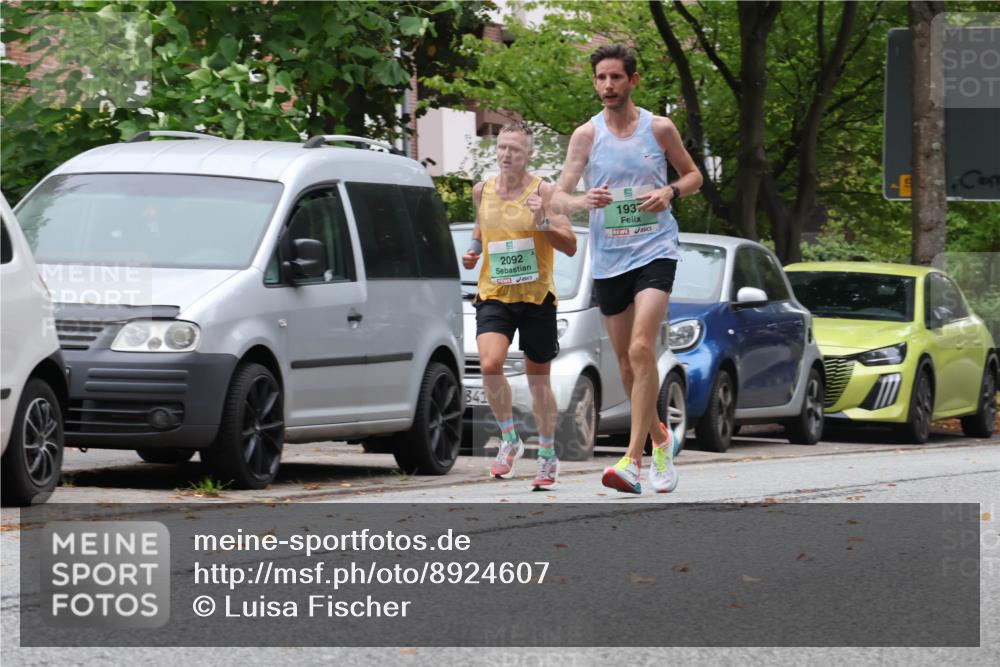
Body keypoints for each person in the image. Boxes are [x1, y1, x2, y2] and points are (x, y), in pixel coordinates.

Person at [550, 44, 703, 494]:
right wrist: (583, 201)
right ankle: (659, 439)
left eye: (616, 77)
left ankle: (632, 462)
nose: (608, 86)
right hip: (610, 257)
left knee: (641, 348)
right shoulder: (586, 136)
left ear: (633, 81)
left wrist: (670, 193)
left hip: (655, 249)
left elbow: (693, 175)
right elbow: (559, 196)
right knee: (626, 363)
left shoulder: (659, 128)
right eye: (601, 78)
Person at [462, 121, 577, 490]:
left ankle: (546, 452)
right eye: (502, 148)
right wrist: (473, 251)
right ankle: (510, 439)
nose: (506, 154)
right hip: (495, 292)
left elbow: (570, 244)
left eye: (515, 149)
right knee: (490, 363)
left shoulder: (545, 191)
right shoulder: (483, 191)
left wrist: (542, 220)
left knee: (538, 380)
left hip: (536, 297)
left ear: (528, 154)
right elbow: (481, 231)